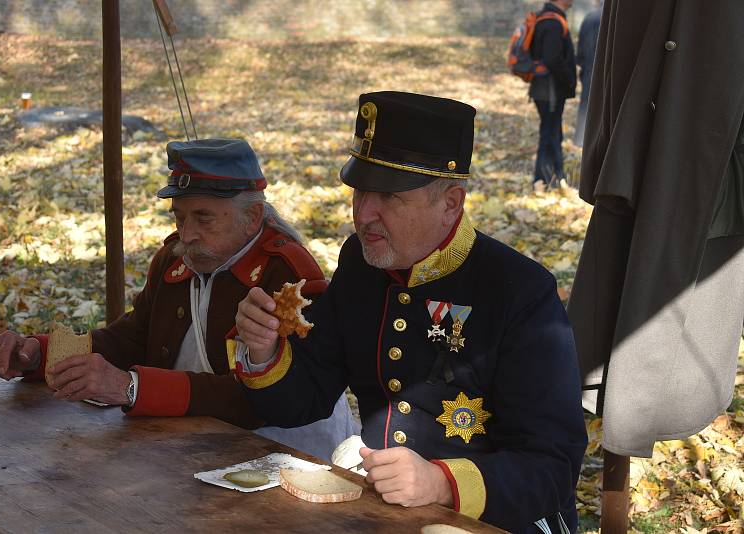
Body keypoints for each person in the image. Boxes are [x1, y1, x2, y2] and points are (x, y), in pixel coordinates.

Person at [232, 92, 587, 532]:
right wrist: (264, 351)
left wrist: (441, 483)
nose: (364, 215)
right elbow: (304, 400)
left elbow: (553, 466)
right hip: (382, 514)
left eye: (388, 197)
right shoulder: (362, 264)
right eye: (360, 192)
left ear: (451, 203)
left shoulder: (519, 291)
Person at [0, 138, 358, 461]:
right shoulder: (176, 259)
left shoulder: (289, 276)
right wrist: (40, 354)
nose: (187, 233)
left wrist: (131, 387)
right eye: (179, 216)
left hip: (281, 455)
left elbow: (263, 400)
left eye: (204, 218)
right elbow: (132, 337)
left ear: (252, 217)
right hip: (190, 446)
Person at [529, 0, 576, 187]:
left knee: (553, 132)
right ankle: (543, 179)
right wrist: (569, 78)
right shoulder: (552, 23)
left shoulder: (549, 19)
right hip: (550, 91)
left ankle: (557, 175)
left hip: (547, 89)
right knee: (549, 133)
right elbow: (552, 59)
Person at [573, 1, 602, 146]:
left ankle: (583, 140)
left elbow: (581, 53)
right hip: (605, 76)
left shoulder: (590, 18)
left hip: (589, 73)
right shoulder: (618, 20)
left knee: (587, 109)